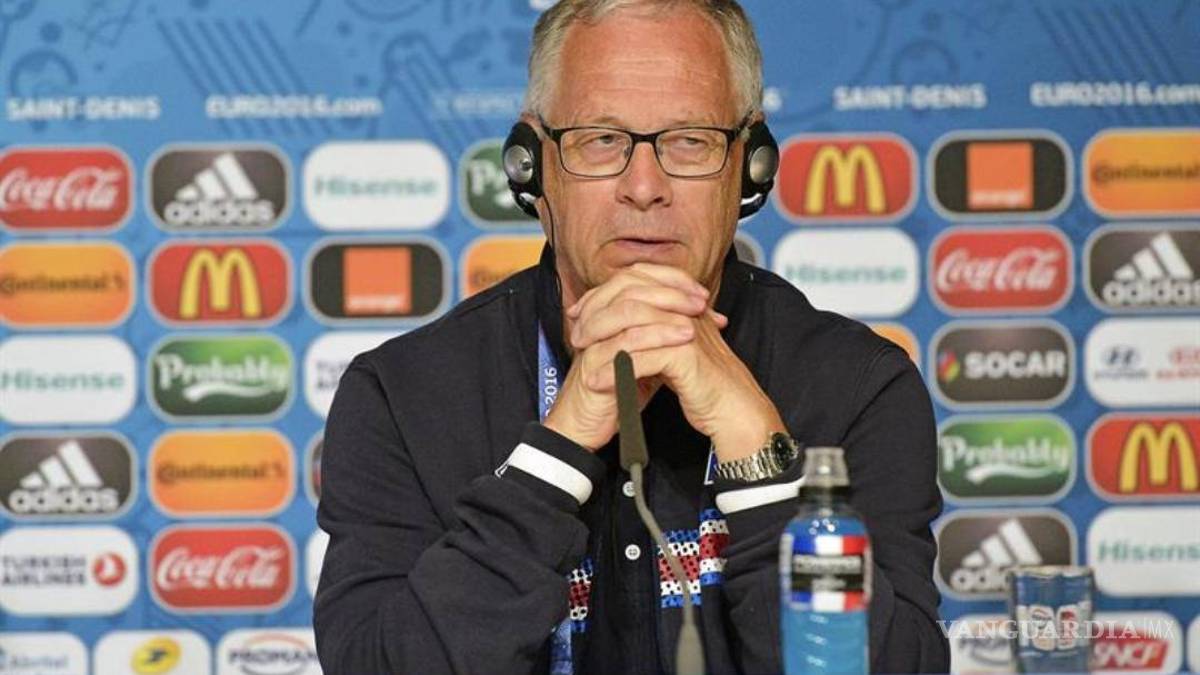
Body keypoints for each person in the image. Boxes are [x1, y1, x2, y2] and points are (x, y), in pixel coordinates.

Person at [314, 1, 949, 673]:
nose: (644, 187)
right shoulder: (403, 395)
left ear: (750, 164)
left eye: (690, 141)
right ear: (532, 164)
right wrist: (557, 452)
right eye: (600, 140)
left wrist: (759, 457)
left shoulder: (858, 385)